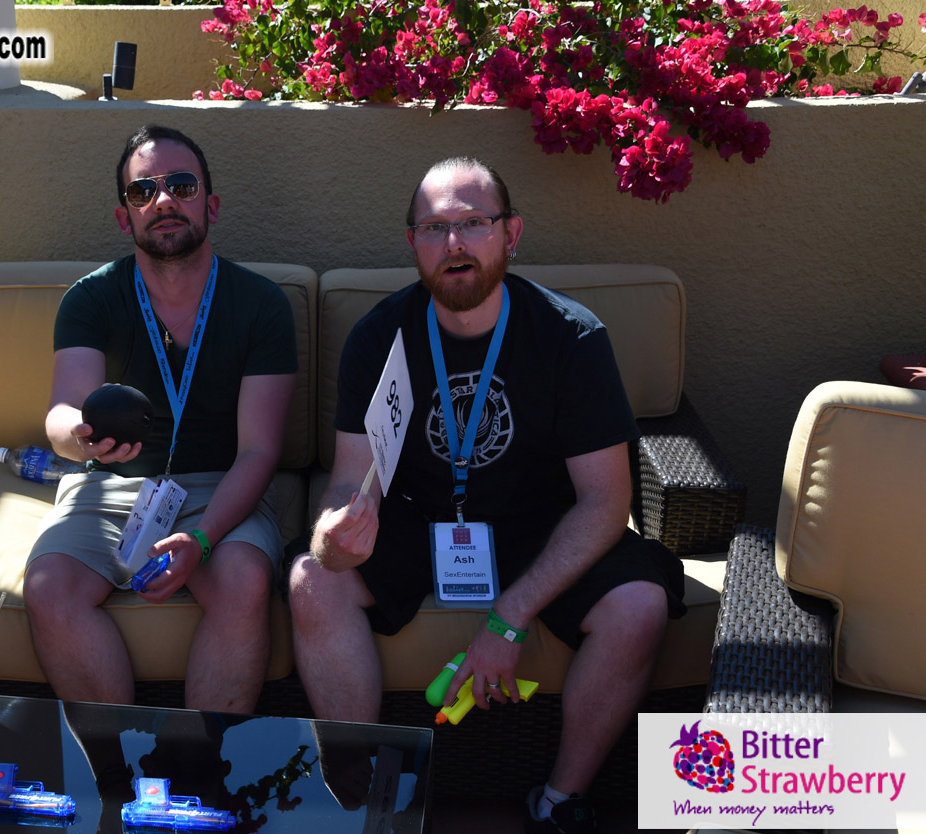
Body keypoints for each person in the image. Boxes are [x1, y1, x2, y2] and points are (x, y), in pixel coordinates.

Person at [288, 157, 686, 833]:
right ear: (411, 240)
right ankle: (365, 801)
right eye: (434, 227)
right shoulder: (379, 335)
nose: (454, 244)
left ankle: (560, 801)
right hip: (420, 522)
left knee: (639, 606)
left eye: (473, 223)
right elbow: (351, 478)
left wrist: (508, 618)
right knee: (311, 579)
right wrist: (333, 530)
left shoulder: (569, 336)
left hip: (543, 522)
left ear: (511, 233)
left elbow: (602, 503)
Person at [24, 125, 297, 713]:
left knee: (244, 584)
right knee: (49, 589)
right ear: (125, 218)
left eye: (181, 184)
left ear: (211, 204)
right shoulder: (90, 299)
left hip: (220, 484)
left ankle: (203, 773)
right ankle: (121, 767)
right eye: (142, 191)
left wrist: (202, 537)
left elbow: (259, 452)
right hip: (110, 483)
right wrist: (80, 437)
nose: (163, 200)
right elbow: (62, 410)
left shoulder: (261, 304)